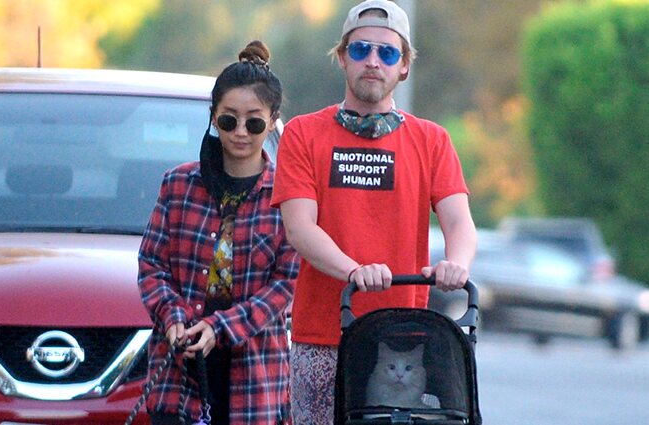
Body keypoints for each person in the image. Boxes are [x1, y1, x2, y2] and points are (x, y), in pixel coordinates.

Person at [270, 1, 477, 424]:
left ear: (404, 67)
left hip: (399, 338)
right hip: (321, 336)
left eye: (387, 53)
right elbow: (300, 228)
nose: (373, 61)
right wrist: (354, 271)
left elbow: (459, 221)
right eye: (361, 49)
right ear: (343, 58)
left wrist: (457, 264)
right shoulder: (303, 134)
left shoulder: (431, 140)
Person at [138, 40, 298, 425]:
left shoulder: (289, 194)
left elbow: (286, 285)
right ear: (213, 117)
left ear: (273, 120)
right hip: (179, 375)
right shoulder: (178, 185)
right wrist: (174, 316)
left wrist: (219, 327)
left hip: (256, 381)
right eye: (229, 120)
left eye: (254, 122)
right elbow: (151, 266)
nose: (240, 132)